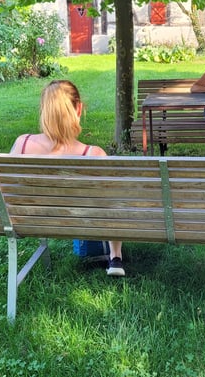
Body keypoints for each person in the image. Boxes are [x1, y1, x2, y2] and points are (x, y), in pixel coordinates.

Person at [9, 80, 126, 277]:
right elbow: (115, 202)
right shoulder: (94, 154)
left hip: (28, 219)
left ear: (44, 110)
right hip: (81, 221)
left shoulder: (22, 144)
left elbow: (7, 189)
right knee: (116, 196)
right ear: (78, 109)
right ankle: (116, 256)